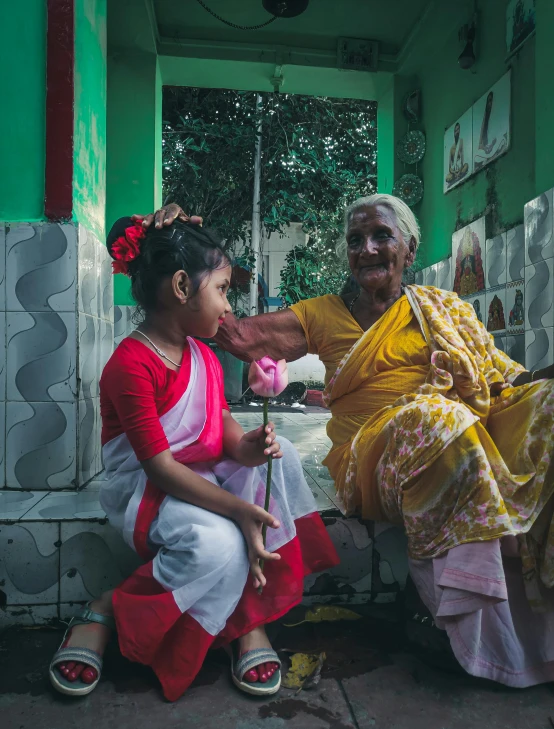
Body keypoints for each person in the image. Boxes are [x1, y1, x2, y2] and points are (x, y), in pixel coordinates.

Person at [157, 192, 554, 689]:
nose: (367, 248)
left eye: (381, 236)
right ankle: (447, 605)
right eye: (355, 240)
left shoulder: (443, 308)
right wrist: (181, 247)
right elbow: (234, 334)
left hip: (458, 440)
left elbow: (503, 379)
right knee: (436, 417)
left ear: (409, 250)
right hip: (373, 457)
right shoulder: (323, 313)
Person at [49, 214, 338, 701]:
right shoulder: (130, 364)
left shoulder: (204, 356)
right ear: (182, 286)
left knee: (281, 455)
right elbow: (159, 467)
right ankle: (112, 609)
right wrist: (241, 509)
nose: (228, 306)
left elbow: (225, 436)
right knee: (219, 545)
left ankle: (249, 617)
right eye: (223, 290)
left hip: (199, 475)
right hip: (150, 491)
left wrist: (251, 448)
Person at [445, 121, 469, 187]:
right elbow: (449, 167)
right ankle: (457, 177)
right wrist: (454, 172)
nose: (457, 132)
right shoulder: (451, 148)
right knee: (447, 177)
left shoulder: (461, 142)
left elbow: (462, 160)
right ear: (454, 132)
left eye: (458, 130)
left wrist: (459, 170)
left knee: (466, 165)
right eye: (455, 130)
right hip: (453, 172)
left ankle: (458, 176)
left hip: (459, 169)